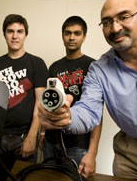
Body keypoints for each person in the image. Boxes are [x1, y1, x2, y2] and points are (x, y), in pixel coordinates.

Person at [38, 0, 137, 181]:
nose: (115, 28)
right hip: (132, 155)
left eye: (124, 17)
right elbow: (89, 112)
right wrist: (66, 116)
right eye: (107, 22)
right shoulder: (98, 70)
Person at [0, 14, 49, 180]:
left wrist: (31, 136)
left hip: (24, 137)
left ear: (25, 35)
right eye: (10, 31)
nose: (15, 36)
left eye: (19, 31)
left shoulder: (37, 63)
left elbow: (40, 103)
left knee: (22, 178)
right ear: (4, 34)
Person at [39, 16, 102, 178]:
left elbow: (97, 113)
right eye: (68, 33)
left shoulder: (92, 66)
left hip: (78, 145)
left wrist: (92, 153)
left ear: (84, 37)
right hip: (51, 141)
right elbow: (48, 104)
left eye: (77, 33)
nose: (72, 37)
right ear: (62, 36)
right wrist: (43, 133)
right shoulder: (54, 67)